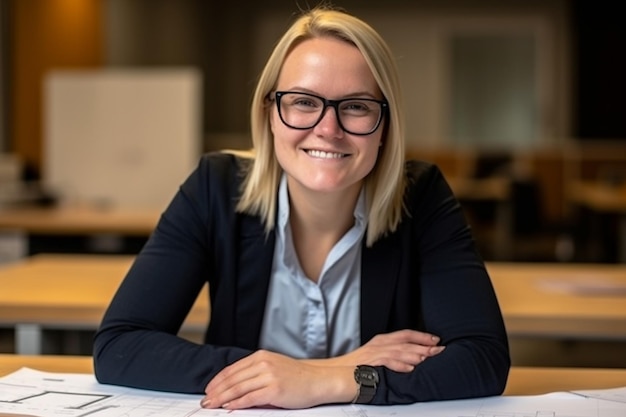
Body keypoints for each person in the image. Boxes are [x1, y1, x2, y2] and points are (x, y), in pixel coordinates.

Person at [93, 5, 510, 410]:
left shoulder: (422, 197)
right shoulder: (215, 188)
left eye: (357, 106)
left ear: (385, 126)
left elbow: (483, 360)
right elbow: (119, 347)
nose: (328, 129)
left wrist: (326, 379)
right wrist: (326, 368)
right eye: (304, 102)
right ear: (270, 113)